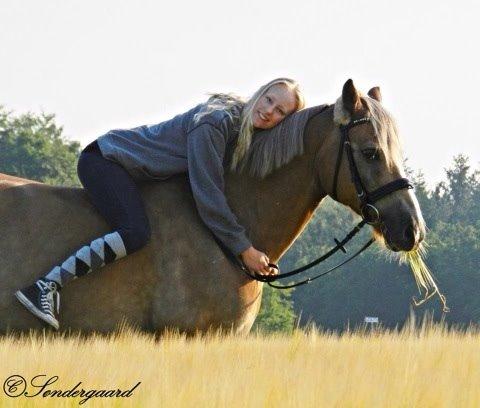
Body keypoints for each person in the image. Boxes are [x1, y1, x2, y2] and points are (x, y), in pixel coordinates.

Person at [15, 78, 305, 330]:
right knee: (135, 232)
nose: (269, 111)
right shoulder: (215, 122)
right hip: (107, 161)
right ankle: (46, 285)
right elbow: (208, 194)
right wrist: (244, 249)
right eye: (269, 100)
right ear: (260, 92)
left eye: (280, 111)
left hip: (142, 177)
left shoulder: (244, 129)